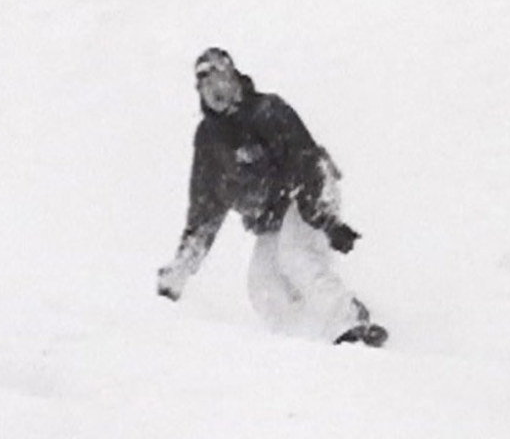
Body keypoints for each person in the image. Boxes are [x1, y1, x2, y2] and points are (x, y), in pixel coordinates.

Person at [157, 47, 388, 347]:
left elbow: (307, 164)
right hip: (273, 215)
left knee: (295, 254)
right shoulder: (209, 141)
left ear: (234, 79)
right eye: (206, 86)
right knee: (262, 285)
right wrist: (182, 268)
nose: (216, 92)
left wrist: (327, 221)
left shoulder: (267, 111)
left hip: (310, 192)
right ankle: (306, 338)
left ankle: (352, 322)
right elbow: (205, 209)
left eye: (221, 81)